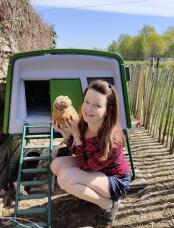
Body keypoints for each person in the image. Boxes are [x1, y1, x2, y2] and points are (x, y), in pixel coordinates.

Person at [50, 80, 131, 214]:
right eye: (86, 102)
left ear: (108, 110)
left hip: (114, 180)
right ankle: (88, 193)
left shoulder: (112, 141)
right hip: (95, 169)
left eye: (97, 105)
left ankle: (107, 204)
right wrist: (65, 133)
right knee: (56, 165)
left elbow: (85, 166)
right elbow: (78, 152)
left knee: (64, 178)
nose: (88, 109)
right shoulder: (85, 121)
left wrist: (76, 135)